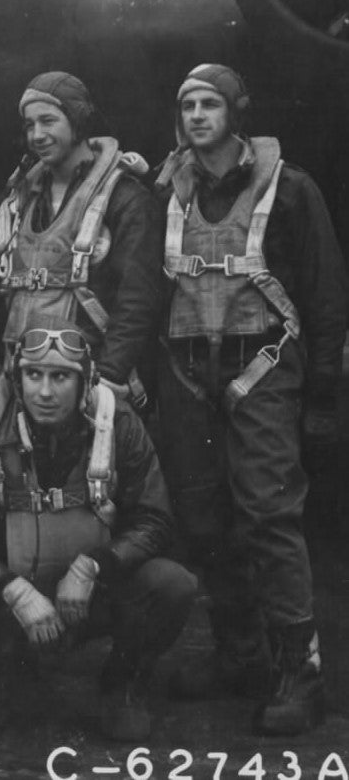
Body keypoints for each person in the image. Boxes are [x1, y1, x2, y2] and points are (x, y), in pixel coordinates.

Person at [153, 64, 347, 736]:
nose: (196, 115)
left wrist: (322, 393)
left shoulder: (289, 191)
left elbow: (324, 296)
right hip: (185, 376)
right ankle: (240, 655)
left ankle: (302, 671)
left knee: (268, 517)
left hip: (261, 367)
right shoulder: (164, 191)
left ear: (236, 112)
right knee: (202, 520)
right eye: (186, 105)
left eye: (208, 103)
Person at [0, 320, 195, 742]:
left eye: (61, 377)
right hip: (14, 598)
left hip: (91, 595)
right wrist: (10, 588)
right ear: (16, 377)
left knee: (173, 584)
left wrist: (94, 567)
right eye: (33, 375)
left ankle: (121, 683)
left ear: (86, 382)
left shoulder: (119, 424)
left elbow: (155, 520)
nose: (44, 392)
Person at [0, 72, 160, 402]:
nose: (37, 135)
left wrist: (109, 377)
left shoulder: (125, 199)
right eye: (29, 125)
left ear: (79, 121)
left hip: (90, 378)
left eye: (48, 121)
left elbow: (137, 300)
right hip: (22, 377)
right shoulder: (19, 199)